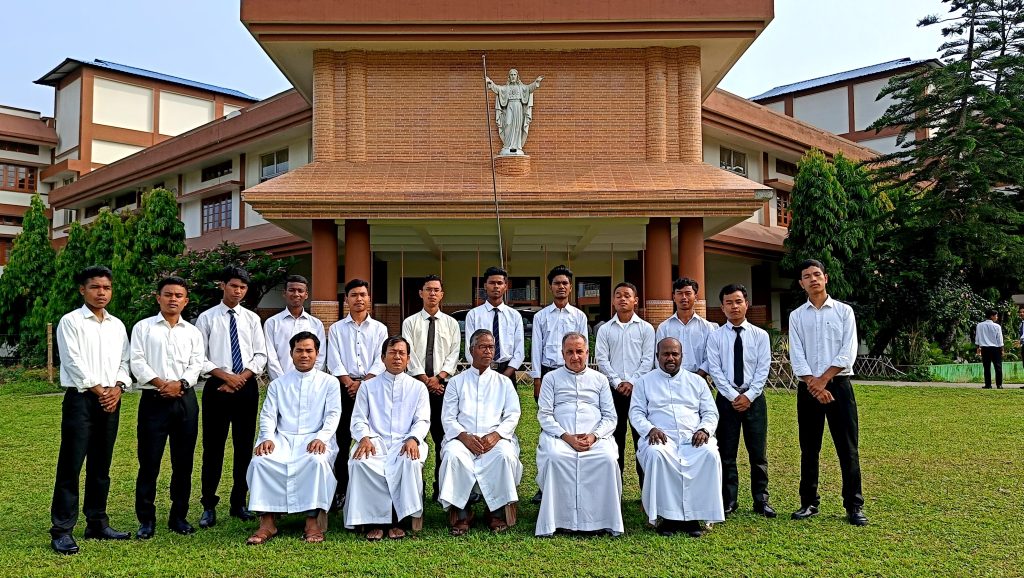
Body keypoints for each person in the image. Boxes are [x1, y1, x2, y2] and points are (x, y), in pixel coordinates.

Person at [49, 266, 132, 555]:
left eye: (106, 288)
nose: (101, 293)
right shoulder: (71, 321)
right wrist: (100, 391)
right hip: (81, 400)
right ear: (82, 289)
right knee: (71, 465)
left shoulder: (117, 325)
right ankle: (62, 530)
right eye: (95, 287)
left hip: (111, 400)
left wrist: (118, 388)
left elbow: (124, 361)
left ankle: (97, 523)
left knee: (101, 465)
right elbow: (72, 362)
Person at [788, 259, 867, 526]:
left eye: (816, 274)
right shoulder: (797, 316)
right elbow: (797, 354)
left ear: (826, 278)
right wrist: (814, 383)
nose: (813, 279)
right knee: (809, 448)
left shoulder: (844, 312)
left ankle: (854, 505)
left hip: (839, 385)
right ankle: (808, 502)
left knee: (847, 448)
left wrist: (824, 380)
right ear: (801, 284)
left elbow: (848, 350)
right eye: (807, 276)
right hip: (808, 388)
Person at [245, 332, 341, 545]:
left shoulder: (329, 382)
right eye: (299, 350)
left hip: (315, 438)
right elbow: (268, 415)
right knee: (262, 461)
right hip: (283, 439)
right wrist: (267, 438)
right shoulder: (278, 384)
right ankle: (267, 523)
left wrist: (322, 438)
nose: (304, 355)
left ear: (317, 353)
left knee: (316, 462)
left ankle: (312, 523)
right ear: (291, 353)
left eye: (309, 350)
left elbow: (333, 414)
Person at [130, 276, 205, 539]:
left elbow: (197, 364)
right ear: (158, 298)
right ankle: (146, 520)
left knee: (183, 462)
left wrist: (180, 384)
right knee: (149, 462)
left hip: (185, 400)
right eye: (168, 294)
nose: (173, 299)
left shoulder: (193, 332)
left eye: (178, 295)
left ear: (186, 301)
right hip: (154, 400)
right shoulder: (143, 328)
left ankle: (179, 516)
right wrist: (162, 384)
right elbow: (137, 361)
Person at [195, 266, 268, 528]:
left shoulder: (252, 319)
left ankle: (239, 502)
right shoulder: (206, 318)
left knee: (244, 447)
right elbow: (199, 357)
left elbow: (260, 355)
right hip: (217, 387)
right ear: (222, 285)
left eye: (243, 287)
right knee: (213, 448)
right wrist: (226, 377)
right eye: (234, 286)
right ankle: (208, 505)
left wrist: (241, 378)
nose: (238, 291)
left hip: (246, 386)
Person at [630, 338, 723, 537]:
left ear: (682, 356)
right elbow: (636, 412)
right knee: (656, 455)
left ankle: (694, 517)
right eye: (666, 354)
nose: (670, 358)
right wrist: (650, 429)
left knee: (709, 454)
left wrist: (705, 430)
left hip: (693, 438)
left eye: (675, 354)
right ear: (657, 357)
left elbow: (710, 412)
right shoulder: (644, 382)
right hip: (661, 439)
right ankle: (668, 518)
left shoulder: (697, 381)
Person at [535, 332, 622, 537]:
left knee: (607, 458)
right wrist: (566, 437)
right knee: (555, 457)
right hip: (560, 436)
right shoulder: (551, 378)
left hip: (594, 437)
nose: (575, 357)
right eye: (570, 352)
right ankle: (560, 520)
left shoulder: (600, 379)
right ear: (562, 354)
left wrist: (594, 436)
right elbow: (544, 414)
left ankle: (601, 520)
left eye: (579, 351)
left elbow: (610, 416)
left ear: (587, 353)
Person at [344, 336, 430, 541]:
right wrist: (364, 438)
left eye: (402, 353)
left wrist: (413, 438)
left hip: (405, 441)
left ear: (408, 359)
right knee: (361, 463)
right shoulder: (368, 386)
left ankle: (398, 521)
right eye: (392, 353)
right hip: (375, 442)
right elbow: (358, 418)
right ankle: (373, 522)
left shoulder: (418, 387)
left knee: (409, 462)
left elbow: (422, 420)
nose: (397, 357)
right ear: (383, 358)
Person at [438, 330, 522, 536]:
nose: (488, 351)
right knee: (453, 455)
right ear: (471, 350)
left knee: (504, 455)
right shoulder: (456, 382)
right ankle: (463, 512)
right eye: (483, 347)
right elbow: (448, 417)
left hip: (494, 439)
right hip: (462, 439)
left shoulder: (504, 382)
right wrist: (464, 437)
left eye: (491, 347)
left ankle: (495, 512)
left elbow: (513, 414)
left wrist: (496, 435)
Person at [706, 284, 774, 518]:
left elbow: (763, 369)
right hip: (726, 400)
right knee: (726, 453)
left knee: (758, 453)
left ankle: (761, 499)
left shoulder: (760, 336)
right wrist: (734, 396)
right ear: (722, 308)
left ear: (746, 304)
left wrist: (749, 395)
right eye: (729, 303)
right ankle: (729, 500)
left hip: (754, 400)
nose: (734, 306)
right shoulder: (715, 337)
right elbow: (715, 370)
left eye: (738, 301)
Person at [326, 278, 388, 510]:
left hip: (372, 388)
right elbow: (334, 359)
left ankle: (372, 489)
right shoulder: (336, 329)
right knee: (342, 439)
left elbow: (381, 359)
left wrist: (365, 383)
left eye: (363, 294)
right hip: (344, 389)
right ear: (346, 299)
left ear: (369, 298)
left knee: (371, 435)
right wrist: (349, 383)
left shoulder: (380, 329)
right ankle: (341, 490)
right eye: (354, 295)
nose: (359, 299)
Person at [529, 264, 588, 505]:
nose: (561, 287)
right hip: (548, 372)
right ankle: (544, 484)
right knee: (548, 427)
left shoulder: (579, 316)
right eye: (557, 283)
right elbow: (535, 348)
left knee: (573, 421)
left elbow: (583, 348)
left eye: (565, 283)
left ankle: (574, 478)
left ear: (570, 287)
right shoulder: (541, 316)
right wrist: (537, 379)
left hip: (572, 374)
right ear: (550, 287)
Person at [400, 274, 460, 501]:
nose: (432, 293)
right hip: (415, 386)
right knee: (415, 436)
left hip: (442, 388)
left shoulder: (451, 323)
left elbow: (454, 353)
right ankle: (417, 486)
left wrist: (439, 378)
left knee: (442, 437)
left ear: (442, 294)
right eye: (428, 289)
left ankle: (440, 485)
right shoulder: (410, 322)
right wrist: (425, 379)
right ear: (421, 293)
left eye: (436, 290)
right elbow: (408, 354)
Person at [595, 281, 655, 487]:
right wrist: (618, 382)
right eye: (618, 295)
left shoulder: (646, 329)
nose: (622, 299)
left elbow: (648, 359)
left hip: (639, 391)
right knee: (615, 438)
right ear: (613, 301)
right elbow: (601, 359)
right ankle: (616, 489)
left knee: (642, 438)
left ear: (635, 300)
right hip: (613, 391)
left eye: (627, 295)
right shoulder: (604, 330)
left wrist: (632, 382)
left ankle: (646, 489)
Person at [464, 266, 524, 382]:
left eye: (499, 283)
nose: (496, 286)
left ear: (505, 286)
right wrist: (483, 371)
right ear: (485, 286)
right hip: (481, 371)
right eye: (492, 283)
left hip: (507, 371)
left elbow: (519, 350)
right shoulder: (473, 315)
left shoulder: (514, 316)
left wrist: (506, 375)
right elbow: (469, 348)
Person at [263, 275, 326, 381]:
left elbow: (320, 356)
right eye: (291, 290)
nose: (296, 294)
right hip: (281, 382)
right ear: (284, 293)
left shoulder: (316, 324)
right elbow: (271, 357)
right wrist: (282, 382)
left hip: (311, 383)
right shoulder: (272, 323)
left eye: (300, 291)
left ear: (306, 295)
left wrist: (310, 380)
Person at [655, 277, 718, 377]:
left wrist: (697, 377)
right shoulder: (664, 327)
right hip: (670, 378)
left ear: (696, 297)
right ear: (674, 297)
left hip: (699, 378)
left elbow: (711, 356)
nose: (684, 297)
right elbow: (659, 356)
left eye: (688, 293)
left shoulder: (707, 327)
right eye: (679, 293)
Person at [485, 68, 544, 155]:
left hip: (518, 106)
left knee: (517, 126)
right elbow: (498, 89)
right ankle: (507, 145)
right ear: (509, 77)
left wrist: (536, 82)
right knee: (508, 124)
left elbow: (529, 88)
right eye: (511, 75)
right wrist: (491, 82)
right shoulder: (506, 88)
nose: (513, 76)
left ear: (517, 76)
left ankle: (516, 146)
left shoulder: (521, 87)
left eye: (514, 75)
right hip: (510, 106)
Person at [975, 309, 1004, 389]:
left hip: (985, 349)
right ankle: (999, 384)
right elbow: (1000, 339)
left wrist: (978, 347)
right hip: (995, 348)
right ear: (992, 316)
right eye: (996, 316)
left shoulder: (979, 325)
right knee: (998, 367)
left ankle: (988, 384)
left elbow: (977, 337)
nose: (997, 317)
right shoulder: (997, 326)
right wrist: (1002, 349)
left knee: (987, 367)